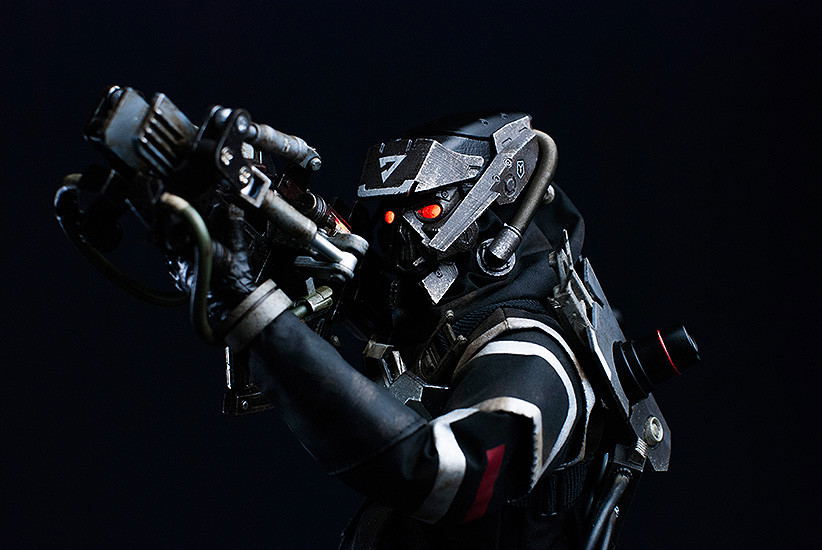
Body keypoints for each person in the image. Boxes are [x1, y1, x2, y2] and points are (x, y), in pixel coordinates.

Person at [205, 113, 600, 549]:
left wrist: (257, 315)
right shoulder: (453, 313)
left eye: (426, 209)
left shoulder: (534, 352)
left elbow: (445, 477)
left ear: (491, 208)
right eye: (391, 212)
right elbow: (363, 294)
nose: (398, 232)